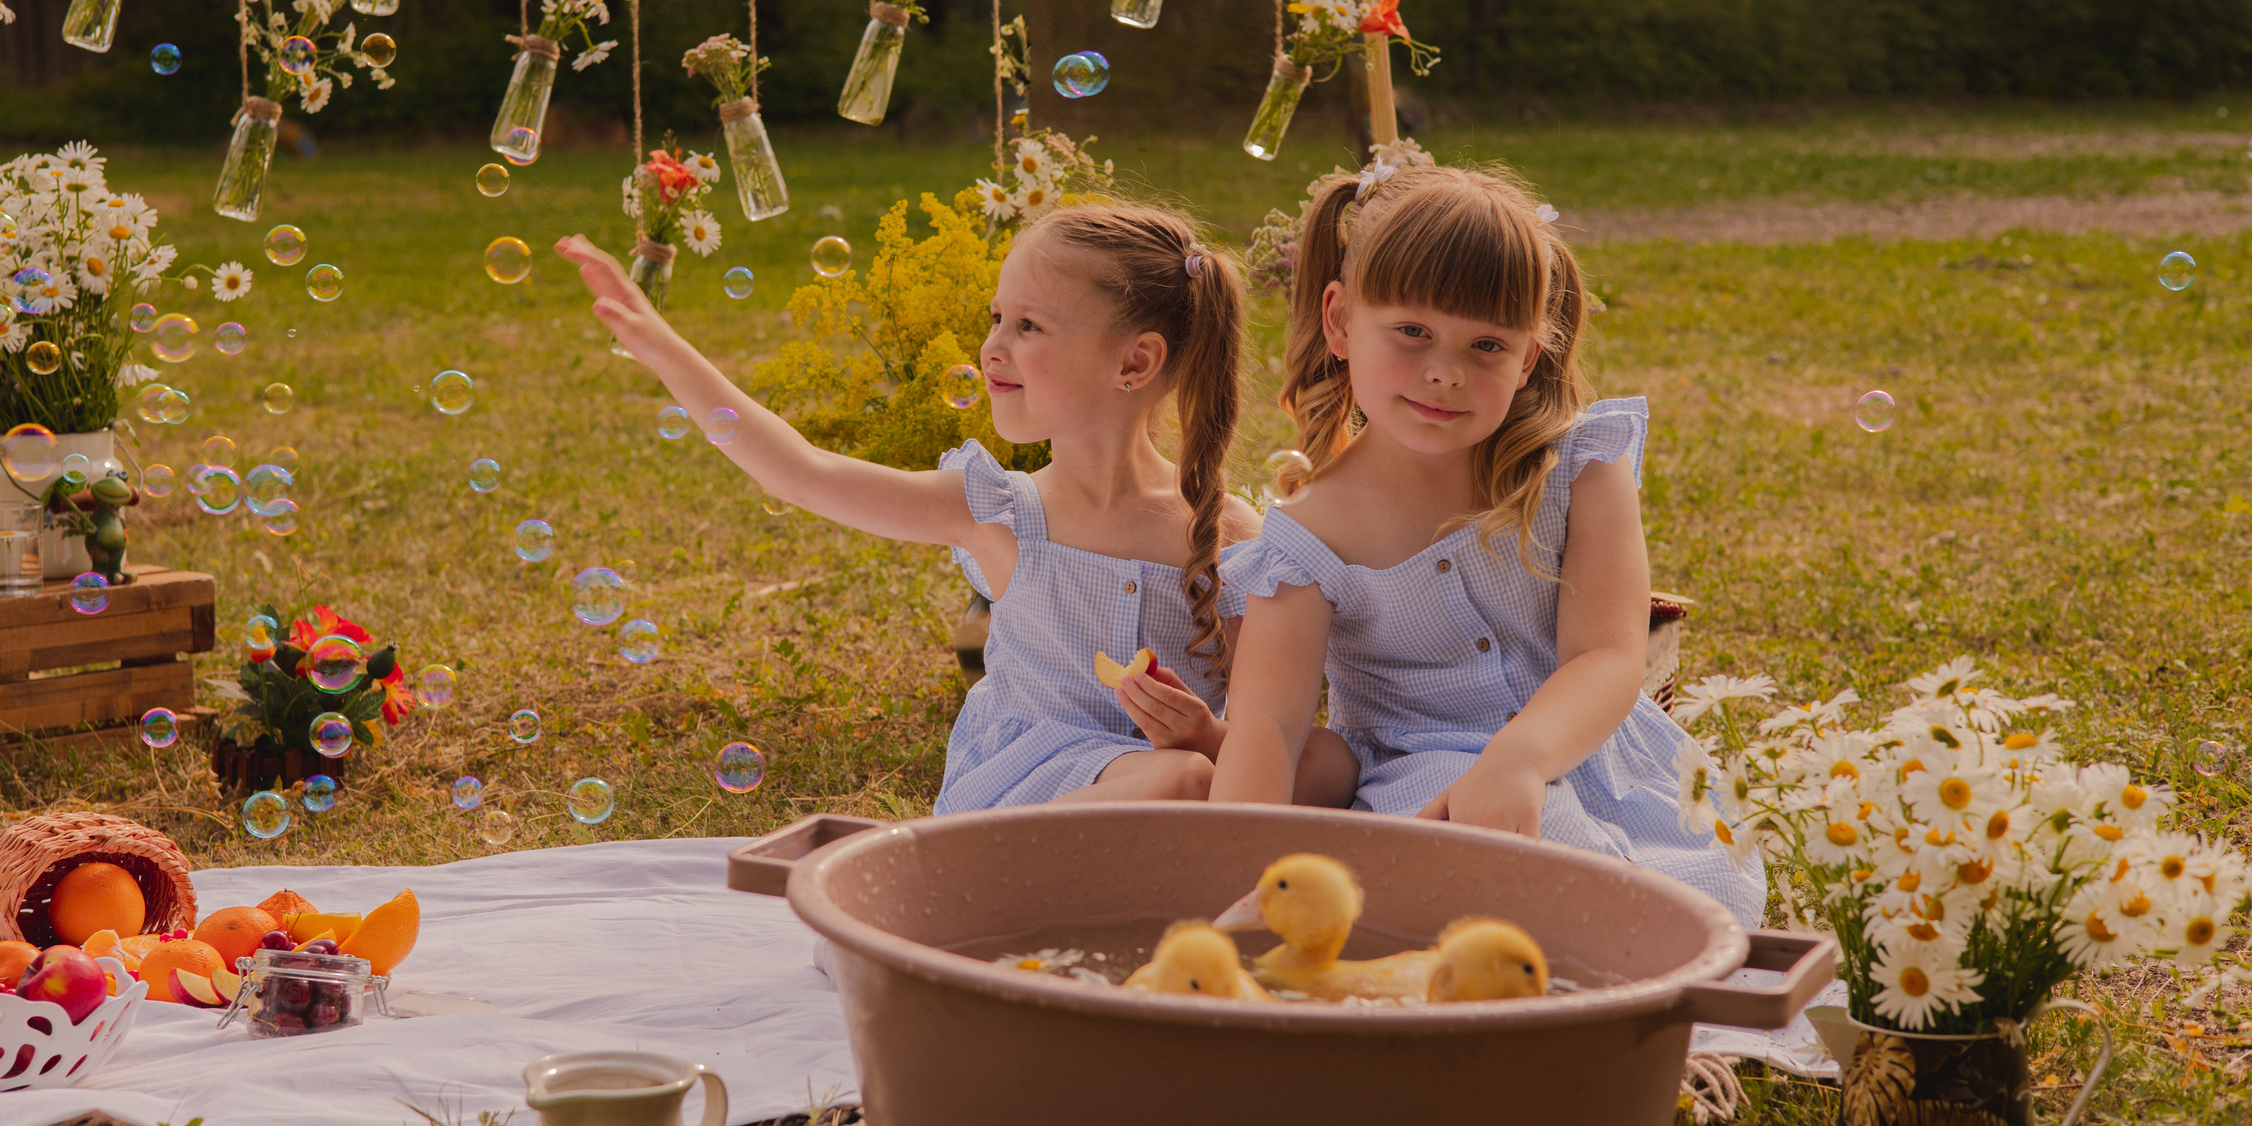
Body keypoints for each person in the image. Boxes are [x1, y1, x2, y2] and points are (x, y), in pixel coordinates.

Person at [558, 200, 1357, 812]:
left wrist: (1204, 734)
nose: (992, 346)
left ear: (1136, 360)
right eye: (995, 318)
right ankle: (987, 882)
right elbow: (799, 472)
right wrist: (660, 343)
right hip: (1019, 798)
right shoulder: (999, 511)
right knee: (1181, 781)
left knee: (1256, 770)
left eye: (1029, 324)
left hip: (1162, 804)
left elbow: (1274, 743)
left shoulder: (1229, 538)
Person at [1211, 161, 1762, 923]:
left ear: (1528, 356)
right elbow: (1268, 725)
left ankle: (1668, 1018)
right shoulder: (1309, 533)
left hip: (1582, 749)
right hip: (1418, 778)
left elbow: (1607, 655)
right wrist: (1233, 870)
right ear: (1339, 321)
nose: (1445, 373)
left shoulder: (1577, 467)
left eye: (1487, 347)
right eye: (1412, 332)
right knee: (1510, 884)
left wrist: (1521, 757)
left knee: (1690, 897)